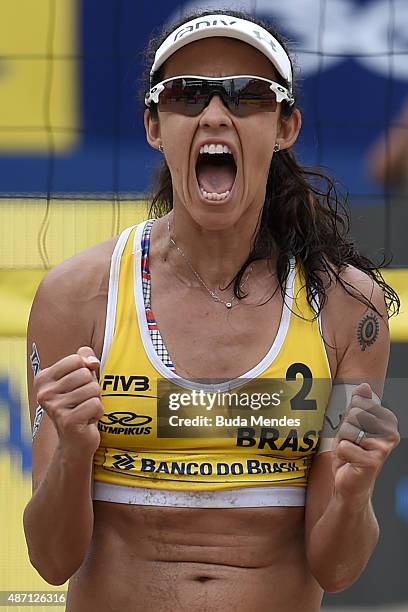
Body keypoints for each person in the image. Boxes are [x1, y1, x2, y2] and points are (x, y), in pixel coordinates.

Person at [23, 10, 400, 612]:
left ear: (286, 127)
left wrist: (356, 490)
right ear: (153, 125)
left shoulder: (343, 306)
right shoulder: (79, 295)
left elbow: (337, 568)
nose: (216, 114)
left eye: (250, 95)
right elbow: (49, 560)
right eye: (187, 94)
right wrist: (72, 451)